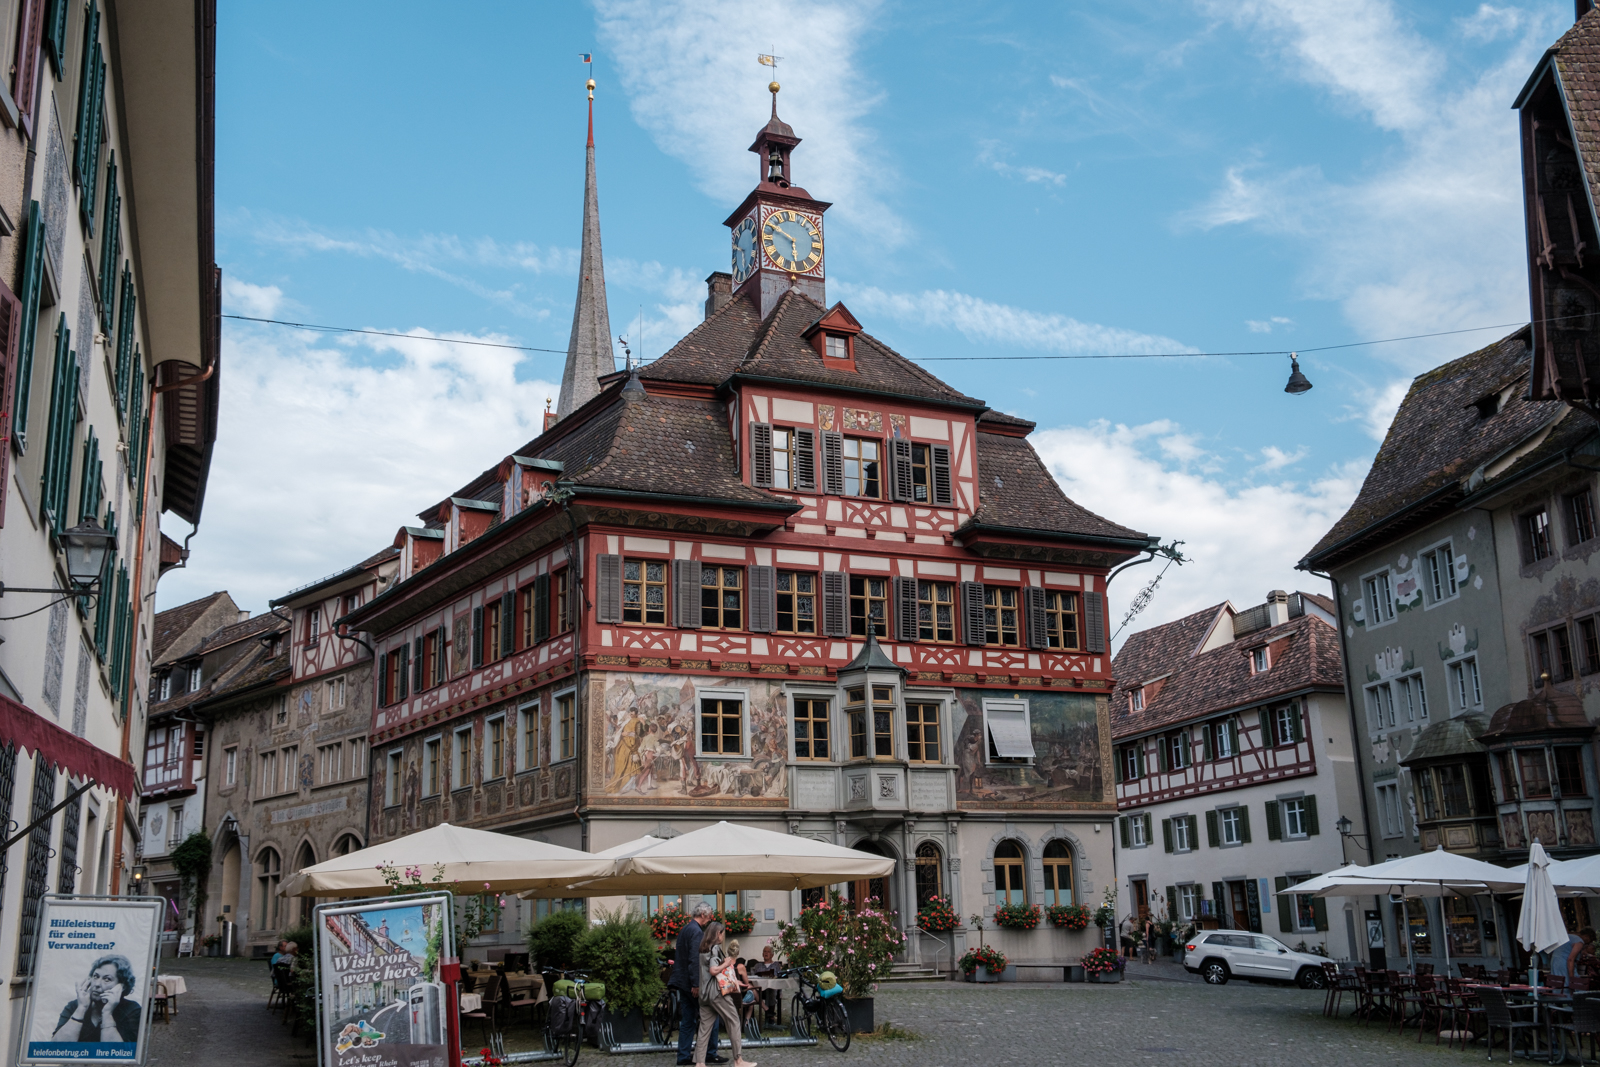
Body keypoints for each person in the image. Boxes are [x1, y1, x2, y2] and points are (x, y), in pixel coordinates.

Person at [694, 922, 755, 1067]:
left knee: (704, 1028)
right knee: (734, 1020)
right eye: (722, 932)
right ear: (717, 933)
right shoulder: (714, 948)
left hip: (704, 994)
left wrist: (735, 982)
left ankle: (700, 1063)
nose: (723, 935)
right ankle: (738, 1060)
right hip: (716, 993)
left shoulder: (703, 948)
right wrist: (726, 963)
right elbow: (714, 970)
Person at [670, 903, 723, 1066]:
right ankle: (710, 1053)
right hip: (691, 983)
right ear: (702, 914)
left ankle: (683, 1055)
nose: (711, 918)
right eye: (709, 914)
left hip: (682, 981)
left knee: (687, 1020)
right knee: (711, 1016)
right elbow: (695, 959)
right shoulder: (696, 932)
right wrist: (696, 984)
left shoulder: (686, 929)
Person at [52, 954, 141, 1044]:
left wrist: (107, 1014)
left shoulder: (132, 1010)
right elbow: (56, 1048)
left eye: (107, 979)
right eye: (96, 976)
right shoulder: (75, 1006)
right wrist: (81, 1008)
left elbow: (116, 1054)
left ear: (122, 986)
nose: (97, 984)